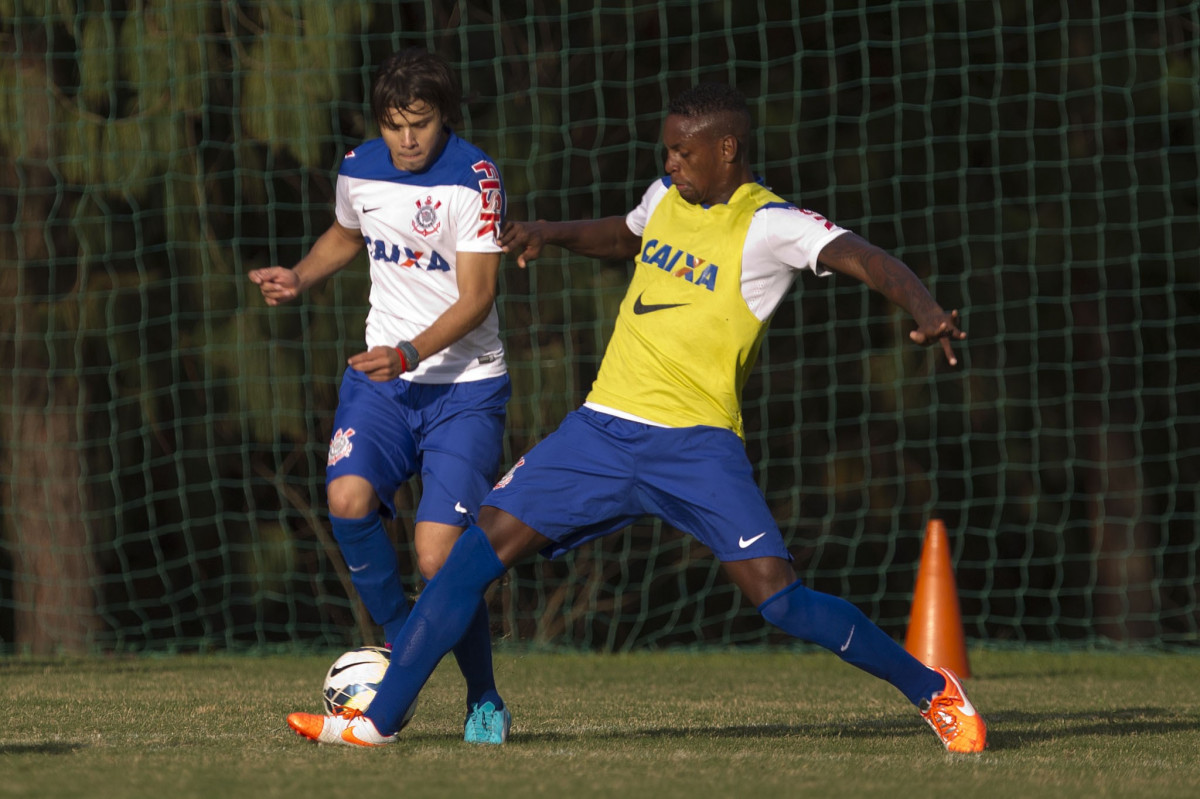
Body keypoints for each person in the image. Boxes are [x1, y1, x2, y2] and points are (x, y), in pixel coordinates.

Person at [287, 82, 986, 753]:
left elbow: (863, 256)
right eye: (667, 151)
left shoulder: (771, 225)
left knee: (777, 599)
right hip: (600, 431)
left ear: (729, 150)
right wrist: (549, 233)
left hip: (695, 445)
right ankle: (376, 722)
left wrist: (924, 310)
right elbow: (624, 235)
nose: (670, 162)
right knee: (469, 556)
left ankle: (934, 690)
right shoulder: (665, 198)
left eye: (683, 152)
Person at [252, 48, 512, 744]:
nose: (406, 139)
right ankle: (404, 643)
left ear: (444, 118)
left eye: (420, 124)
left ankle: (484, 697)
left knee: (437, 555)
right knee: (346, 499)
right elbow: (346, 233)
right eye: (395, 124)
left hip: (464, 387)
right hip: (383, 385)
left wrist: (409, 352)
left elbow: (478, 294)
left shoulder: (475, 179)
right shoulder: (359, 167)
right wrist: (302, 275)